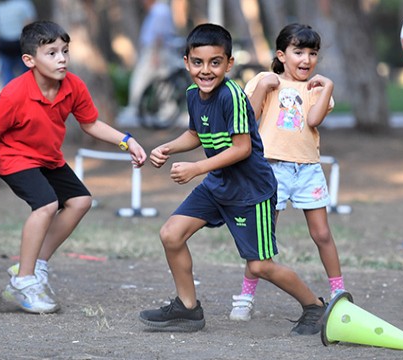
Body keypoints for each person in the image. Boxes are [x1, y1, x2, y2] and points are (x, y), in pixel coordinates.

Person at [139, 23, 327, 335]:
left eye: (215, 63)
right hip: (218, 185)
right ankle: (187, 309)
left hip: (250, 192)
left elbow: (240, 149)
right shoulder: (192, 94)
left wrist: (196, 169)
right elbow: (196, 133)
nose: (206, 70)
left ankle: (315, 308)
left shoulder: (233, 97)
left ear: (229, 64)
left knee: (259, 266)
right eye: (198, 62)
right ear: (186, 62)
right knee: (171, 234)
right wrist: (168, 148)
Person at [0, 20, 147, 314]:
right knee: (45, 205)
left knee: (80, 201)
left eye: (65, 51)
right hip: (13, 157)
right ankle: (24, 281)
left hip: (47, 156)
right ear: (29, 60)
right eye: (52, 53)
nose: (62, 59)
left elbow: (91, 123)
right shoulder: (14, 94)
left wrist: (127, 141)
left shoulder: (73, 86)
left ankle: (33, 264)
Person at [229, 23, 345, 322]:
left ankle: (338, 294)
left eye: (312, 53)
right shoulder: (264, 81)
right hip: (270, 171)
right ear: (282, 55)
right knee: (263, 238)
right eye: (298, 52)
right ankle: (245, 296)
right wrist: (265, 87)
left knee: (322, 234)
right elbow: (248, 119)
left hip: (307, 170)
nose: (306, 59)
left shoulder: (318, 89)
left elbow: (313, 120)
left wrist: (328, 87)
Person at [126, 0, 180, 113]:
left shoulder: (160, 11)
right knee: (162, 81)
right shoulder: (157, 10)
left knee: (142, 79)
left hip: (156, 51)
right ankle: (167, 110)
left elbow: (159, 35)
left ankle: (136, 108)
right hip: (155, 51)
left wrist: (155, 55)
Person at [0, 0, 37, 85]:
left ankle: (10, 94)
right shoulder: (24, 4)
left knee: (7, 76)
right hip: (20, 45)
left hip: (4, 45)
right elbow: (30, 24)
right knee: (26, 75)